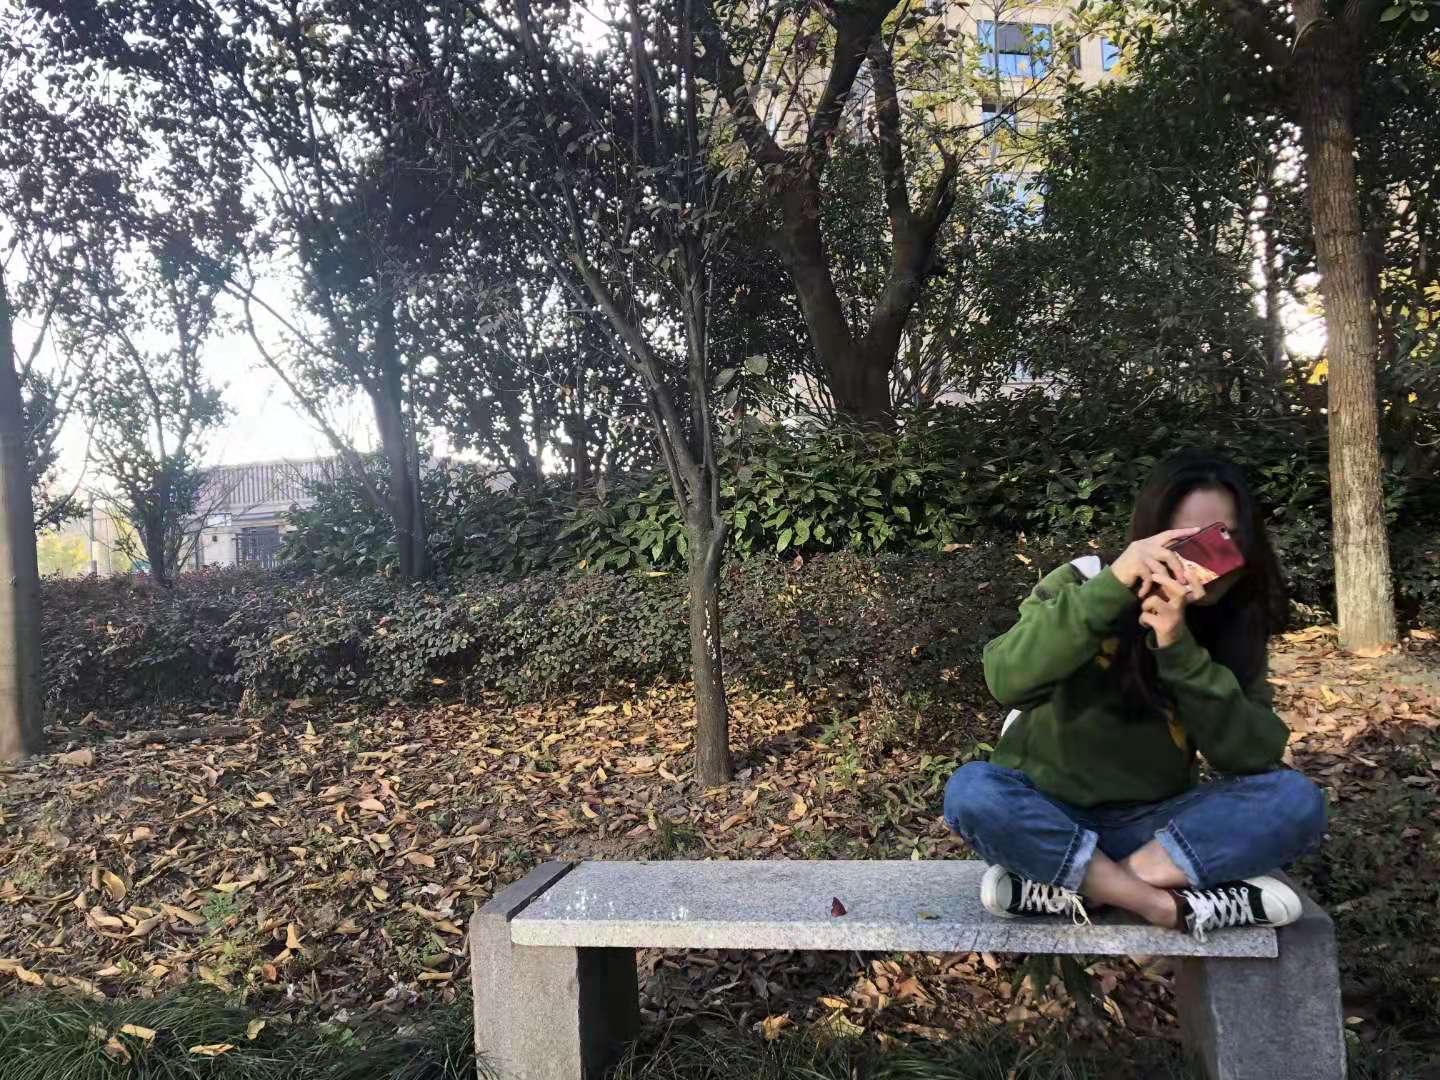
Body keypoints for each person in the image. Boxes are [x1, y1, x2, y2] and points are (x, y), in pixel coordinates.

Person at [943, 450, 1327, 940]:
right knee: (973, 792)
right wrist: (1113, 588)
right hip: (1049, 813)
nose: (1209, 557)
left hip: (1156, 830)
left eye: (1225, 536)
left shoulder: (1233, 622)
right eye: (1188, 541)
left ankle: (1080, 887)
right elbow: (1006, 678)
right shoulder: (1086, 580)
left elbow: (1249, 755)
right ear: (1152, 536)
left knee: (1295, 800)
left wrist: (1178, 648)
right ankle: (1166, 906)